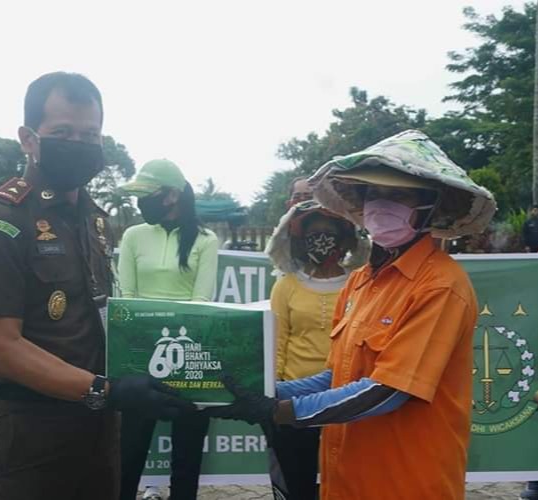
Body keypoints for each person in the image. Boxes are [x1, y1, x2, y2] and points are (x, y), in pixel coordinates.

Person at [206, 130, 496, 500]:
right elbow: (338, 376)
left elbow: (387, 391)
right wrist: (264, 392)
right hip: (346, 480)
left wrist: (280, 410)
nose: (381, 203)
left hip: (408, 483)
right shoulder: (360, 280)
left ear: (429, 206)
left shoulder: (440, 286)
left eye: (398, 194)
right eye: (373, 193)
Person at [0, 72, 192, 500]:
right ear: (29, 139)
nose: (79, 144)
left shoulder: (94, 217)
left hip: (97, 426)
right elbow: (2, 348)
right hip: (30, 433)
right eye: (62, 132)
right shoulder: (1, 221)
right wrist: (107, 389)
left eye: (90, 134)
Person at [117, 159, 219, 500]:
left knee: (187, 457)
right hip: (137, 360)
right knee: (128, 453)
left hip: (190, 356)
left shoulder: (206, 239)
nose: (139, 202)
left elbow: (200, 301)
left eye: (147, 194)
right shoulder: (133, 235)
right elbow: (126, 297)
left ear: (172, 195)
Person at [264, 200, 368, 500]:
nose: (321, 239)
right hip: (294, 402)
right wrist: (275, 392)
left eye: (328, 232)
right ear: (300, 239)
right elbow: (278, 343)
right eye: (314, 233)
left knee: (347, 483)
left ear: (344, 239)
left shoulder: (361, 284)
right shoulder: (286, 287)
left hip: (346, 399)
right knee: (297, 481)